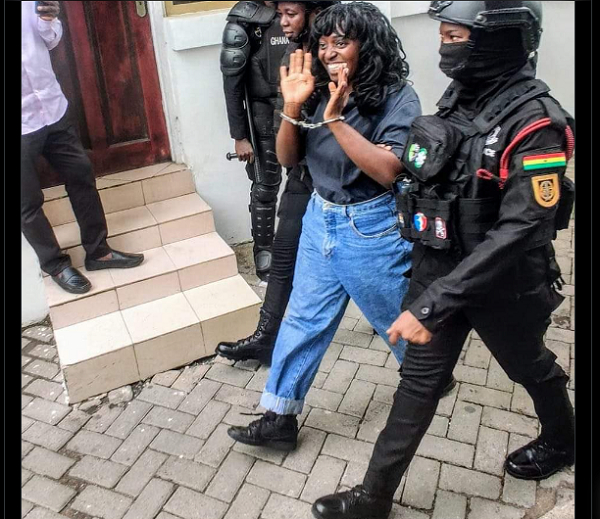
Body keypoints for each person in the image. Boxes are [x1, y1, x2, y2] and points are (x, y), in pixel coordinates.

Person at [312, 2, 576, 518]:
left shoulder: (537, 123)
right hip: (439, 266)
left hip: (502, 283)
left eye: (456, 36)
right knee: (419, 382)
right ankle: (373, 498)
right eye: (444, 36)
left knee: (529, 367)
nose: (444, 47)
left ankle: (565, 439)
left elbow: (522, 229)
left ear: (499, 39)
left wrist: (432, 305)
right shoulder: (463, 97)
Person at [227, 1, 422, 451]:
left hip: (371, 228)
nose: (329, 51)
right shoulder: (313, 89)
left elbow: (389, 170)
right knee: (302, 319)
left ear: (367, 47)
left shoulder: (397, 96)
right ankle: (278, 417)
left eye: (342, 42)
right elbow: (289, 159)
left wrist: (334, 120)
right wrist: (294, 107)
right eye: (324, 43)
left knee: (395, 320)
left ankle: (427, 377)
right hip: (321, 219)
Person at [217, 0, 340, 366]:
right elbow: (235, 80)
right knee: (284, 251)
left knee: (367, 274)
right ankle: (266, 338)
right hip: (302, 166)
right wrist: (244, 134)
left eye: (291, 14)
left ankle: (418, 357)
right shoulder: (292, 51)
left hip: (343, 175)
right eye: (281, 14)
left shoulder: (341, 43)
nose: (282, 21)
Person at [21, 1, 144, 295]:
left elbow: (51, 40)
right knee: (27, 203)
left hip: (52, 107)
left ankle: (98, 251)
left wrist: (49, 20)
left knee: (81, 175)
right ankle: (55, 264)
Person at [220, 0, 290, 281]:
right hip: (264, 113)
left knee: (313, 182)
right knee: (265, 184)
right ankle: (265, 253)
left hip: (305, 107)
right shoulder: (243, 20)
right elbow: (232, 84)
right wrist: (239, 136)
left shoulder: (301, 9)